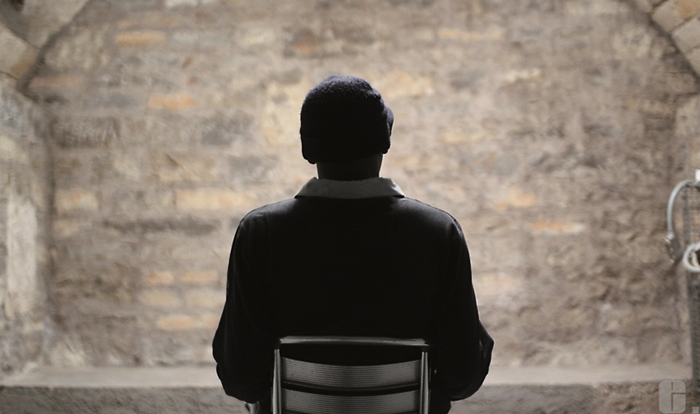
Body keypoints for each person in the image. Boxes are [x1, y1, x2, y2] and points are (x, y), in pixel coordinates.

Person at [212, 74, 493, 413]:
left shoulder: (259, 233)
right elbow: (462, 375)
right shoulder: (438, 233)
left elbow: (240, 377)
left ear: (307, 149)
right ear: (385, 141)